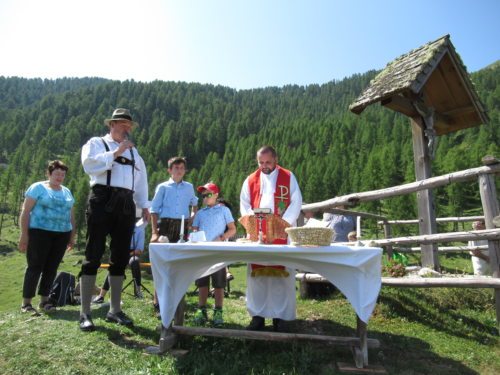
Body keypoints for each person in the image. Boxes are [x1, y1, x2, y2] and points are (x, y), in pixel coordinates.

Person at [79, 108, 150, 331]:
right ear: (112, 124)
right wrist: (116, 152)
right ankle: (85, 313)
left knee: (120, 256)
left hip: (126, 203)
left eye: (129, 126)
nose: (127, 129)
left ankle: (114, 310)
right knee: (93, 254)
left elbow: (140, 180)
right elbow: (89, 165)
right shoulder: (96, 143)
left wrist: (144, 205)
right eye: (122, 124)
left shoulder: (134, 153)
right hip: (103, 198)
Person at [240, 145, 302, 332]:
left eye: (267, 162)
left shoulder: (288, 177)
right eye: (260, 162)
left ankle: (280, 318)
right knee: (257, 279)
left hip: (280, 232)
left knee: (281, 279)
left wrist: (282, 224)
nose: (264, 166)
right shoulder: (250, 180)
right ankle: (257, 317)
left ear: (276, 159)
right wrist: (253, 221)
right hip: (258, 235)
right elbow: (245, 204)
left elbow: (296, 201)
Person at [19, 160, 75, 315]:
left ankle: (44, 301)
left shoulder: (66, 191)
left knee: (51, 267)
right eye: (57, 173)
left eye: (62, 174)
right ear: (49, 173)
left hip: (62, 234)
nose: (60, 177)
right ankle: (26, 303)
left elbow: (71, 216)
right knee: (35, 266)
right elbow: (25, 211)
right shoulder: (38, 188)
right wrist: (24, 234)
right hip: (39, 232)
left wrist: (72, 236)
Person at [150, 156, 198, 313]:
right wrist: (154, 233)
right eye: (176, 168)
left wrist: (192, 217)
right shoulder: (163, 187)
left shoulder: (189, 187)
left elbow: (194, 203)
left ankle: (176, 301)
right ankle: (158, 302)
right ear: (169, 170)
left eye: (182, 168)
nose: (179, 171)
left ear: (185, 170)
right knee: (162, 264)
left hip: (182, 226)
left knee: (179, 264)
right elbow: (154, 210)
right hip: (165, 225)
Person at [192, 182, 236, 327]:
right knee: (202, 283)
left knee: (219, 284)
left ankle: (218, 311)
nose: (205, 198)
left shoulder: (224, 211)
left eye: (208, 194)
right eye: (203, 195)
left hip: (218, 250)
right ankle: (201, 309)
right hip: (203, 252)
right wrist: (194, 236)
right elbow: (194, 230)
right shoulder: (200, 213)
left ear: (216, 195)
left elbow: (232, 229)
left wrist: (222, 237)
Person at [93, 210, 147, 303]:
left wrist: (127, 254)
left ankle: (137, 291)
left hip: (132, 253)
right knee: (114, 264)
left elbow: (139, 250)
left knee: (134, 261)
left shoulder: (140, 230)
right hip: (120, 251)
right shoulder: (121, 226)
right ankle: (101, 295)